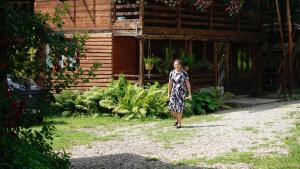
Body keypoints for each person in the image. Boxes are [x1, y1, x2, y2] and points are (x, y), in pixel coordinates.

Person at [168, 59, 192, 129]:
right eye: (175, 65)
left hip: (181, 93)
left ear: (180, 65)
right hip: (173, 92)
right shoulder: (172, 72)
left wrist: (190, 94)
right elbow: (170, 83)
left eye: (178, 65)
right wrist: (168, 93)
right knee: (172, 109)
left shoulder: (184, 73)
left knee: (180, 108)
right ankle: (177, 119)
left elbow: (187, 83)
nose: (176, 66)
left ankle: (179, 123)